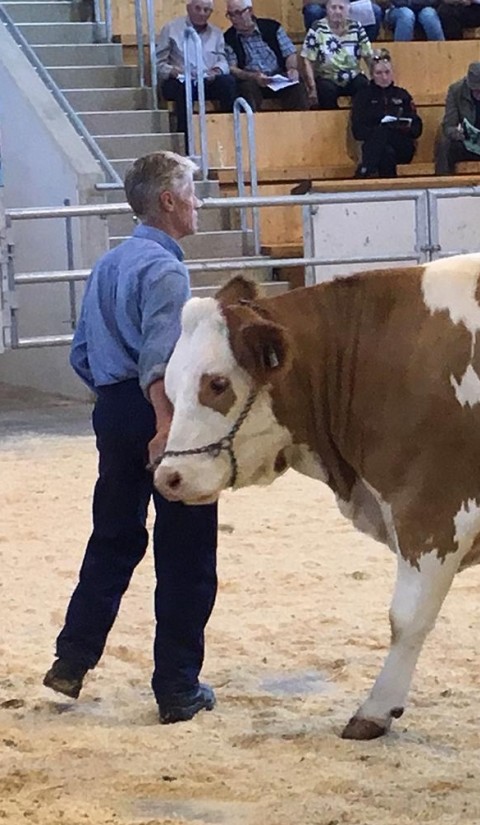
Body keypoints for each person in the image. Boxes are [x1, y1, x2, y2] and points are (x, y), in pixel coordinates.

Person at [44, 151, 219, 726]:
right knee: (186, 551)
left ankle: (72, 657)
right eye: (191, 192)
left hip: (113, 411)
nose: (198, 203)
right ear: (167, 200)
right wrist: (166, 425)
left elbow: (80, 354)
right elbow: (157, 362)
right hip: (160, 415)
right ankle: (177, 687)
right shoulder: (167, 271)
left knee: (114, 536)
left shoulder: (108, 264)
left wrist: (115, 408)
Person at [155, 0, 238, 140]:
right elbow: (157, 63)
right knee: (183, 90)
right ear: (188, 8)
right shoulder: (171, 28)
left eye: (206, 10)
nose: (201, 13)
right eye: (198, 8)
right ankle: (185, 140)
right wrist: (174, 71)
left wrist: (216, 71)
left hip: (207, 79)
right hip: (179, 79)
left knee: (228, 82)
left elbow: (223, 60)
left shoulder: (216, 33)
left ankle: (229, 134)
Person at [222, 0, 308, 111]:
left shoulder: (273, 27)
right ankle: (252, 125)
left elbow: (289, 53)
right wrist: (253, 76)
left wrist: (292, 69)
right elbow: (233, 69)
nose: (234, 18)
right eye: (230, 14)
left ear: (250, 11)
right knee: (246, 89)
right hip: (251, 79)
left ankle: (299, 123)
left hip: (278, 76)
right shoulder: (229, 38)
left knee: (296, 86)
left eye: (238, 13)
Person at [351, 56, 422, 177]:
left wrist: (401, 126)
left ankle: (365, 168)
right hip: (375, 146)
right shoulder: (363, 97)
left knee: (387, 132)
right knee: (386, 152)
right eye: (379, 73)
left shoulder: (402, 95)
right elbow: (358, 131)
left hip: (402, 145)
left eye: (387, 72)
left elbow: (417, 129)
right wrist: (378, 130)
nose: (384, 77)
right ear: (372, 75)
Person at [300, 0, 374, 110]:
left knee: (363, 85)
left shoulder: (356, 27)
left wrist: (375, 79)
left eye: (341, 8)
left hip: (352, 75)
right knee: (326, 90)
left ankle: (360, 121)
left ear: (348, 10)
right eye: (333, 7)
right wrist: (312, 89)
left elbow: (368, 55)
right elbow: (307, 59)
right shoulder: (318, 28)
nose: (337, 11)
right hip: (327, 77)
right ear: (327, 9)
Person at [303, 0, 382, 40]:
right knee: (312, 11)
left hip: (352, 7)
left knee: (375, 10)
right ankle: (314, 45)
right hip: (325, 6)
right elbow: (308, 1)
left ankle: (367, 46)